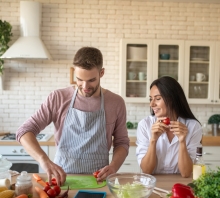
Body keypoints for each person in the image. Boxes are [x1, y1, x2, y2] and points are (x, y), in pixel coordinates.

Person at [16, 47, 130, 185]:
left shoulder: (116, 103)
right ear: (74, 72)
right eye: (79, 79)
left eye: (91, 80)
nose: (85, 86)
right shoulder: (58, 98)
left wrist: (114, 166)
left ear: (102, 73)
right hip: (62, 180)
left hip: (99, 180)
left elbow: (122, 142)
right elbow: (24, 131)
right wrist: (43, 160)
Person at [136, 76, 202, 178]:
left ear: (172, 99)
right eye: (151, 99)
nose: (151, 104)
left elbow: (186, 173)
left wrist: (182, 141)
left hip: (181, 185)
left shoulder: (193, 127)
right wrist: (153, 140)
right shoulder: (145, 125)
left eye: (157, 99)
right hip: (152, 185)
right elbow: (146, 170)